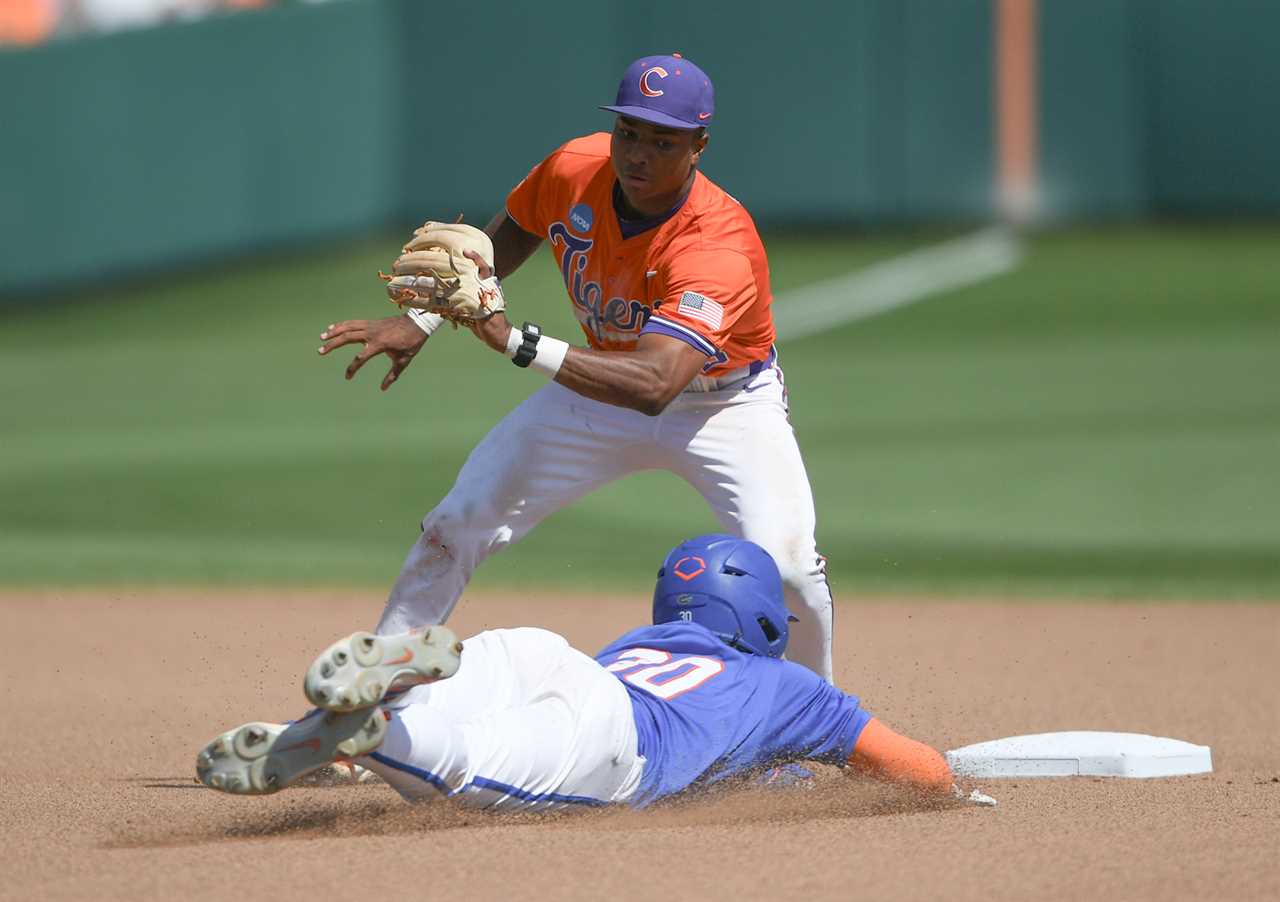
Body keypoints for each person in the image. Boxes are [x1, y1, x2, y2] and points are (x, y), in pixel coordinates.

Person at [317, 53, 837, 681]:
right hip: (597, 389)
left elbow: (654, 386)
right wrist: (424, 317)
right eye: (629, 133)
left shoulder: (715, 244)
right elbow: (513, 228)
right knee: (457, 521)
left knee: (789, 570)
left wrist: (513, 341)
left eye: (662, 141)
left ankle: (819, 720)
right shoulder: (576, 166)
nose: (638, 154)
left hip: (722, 405)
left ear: (698, 145)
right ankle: (373, 700)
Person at [196, 536, 996, 809]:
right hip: (614, 741)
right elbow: (916, 772)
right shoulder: (793, 689)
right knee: (467, 768)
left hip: (555, 657)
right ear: (757, 618)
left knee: (472, 702)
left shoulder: (639, 643)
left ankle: (364, 712)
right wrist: (956, 787)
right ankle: (373, 731)